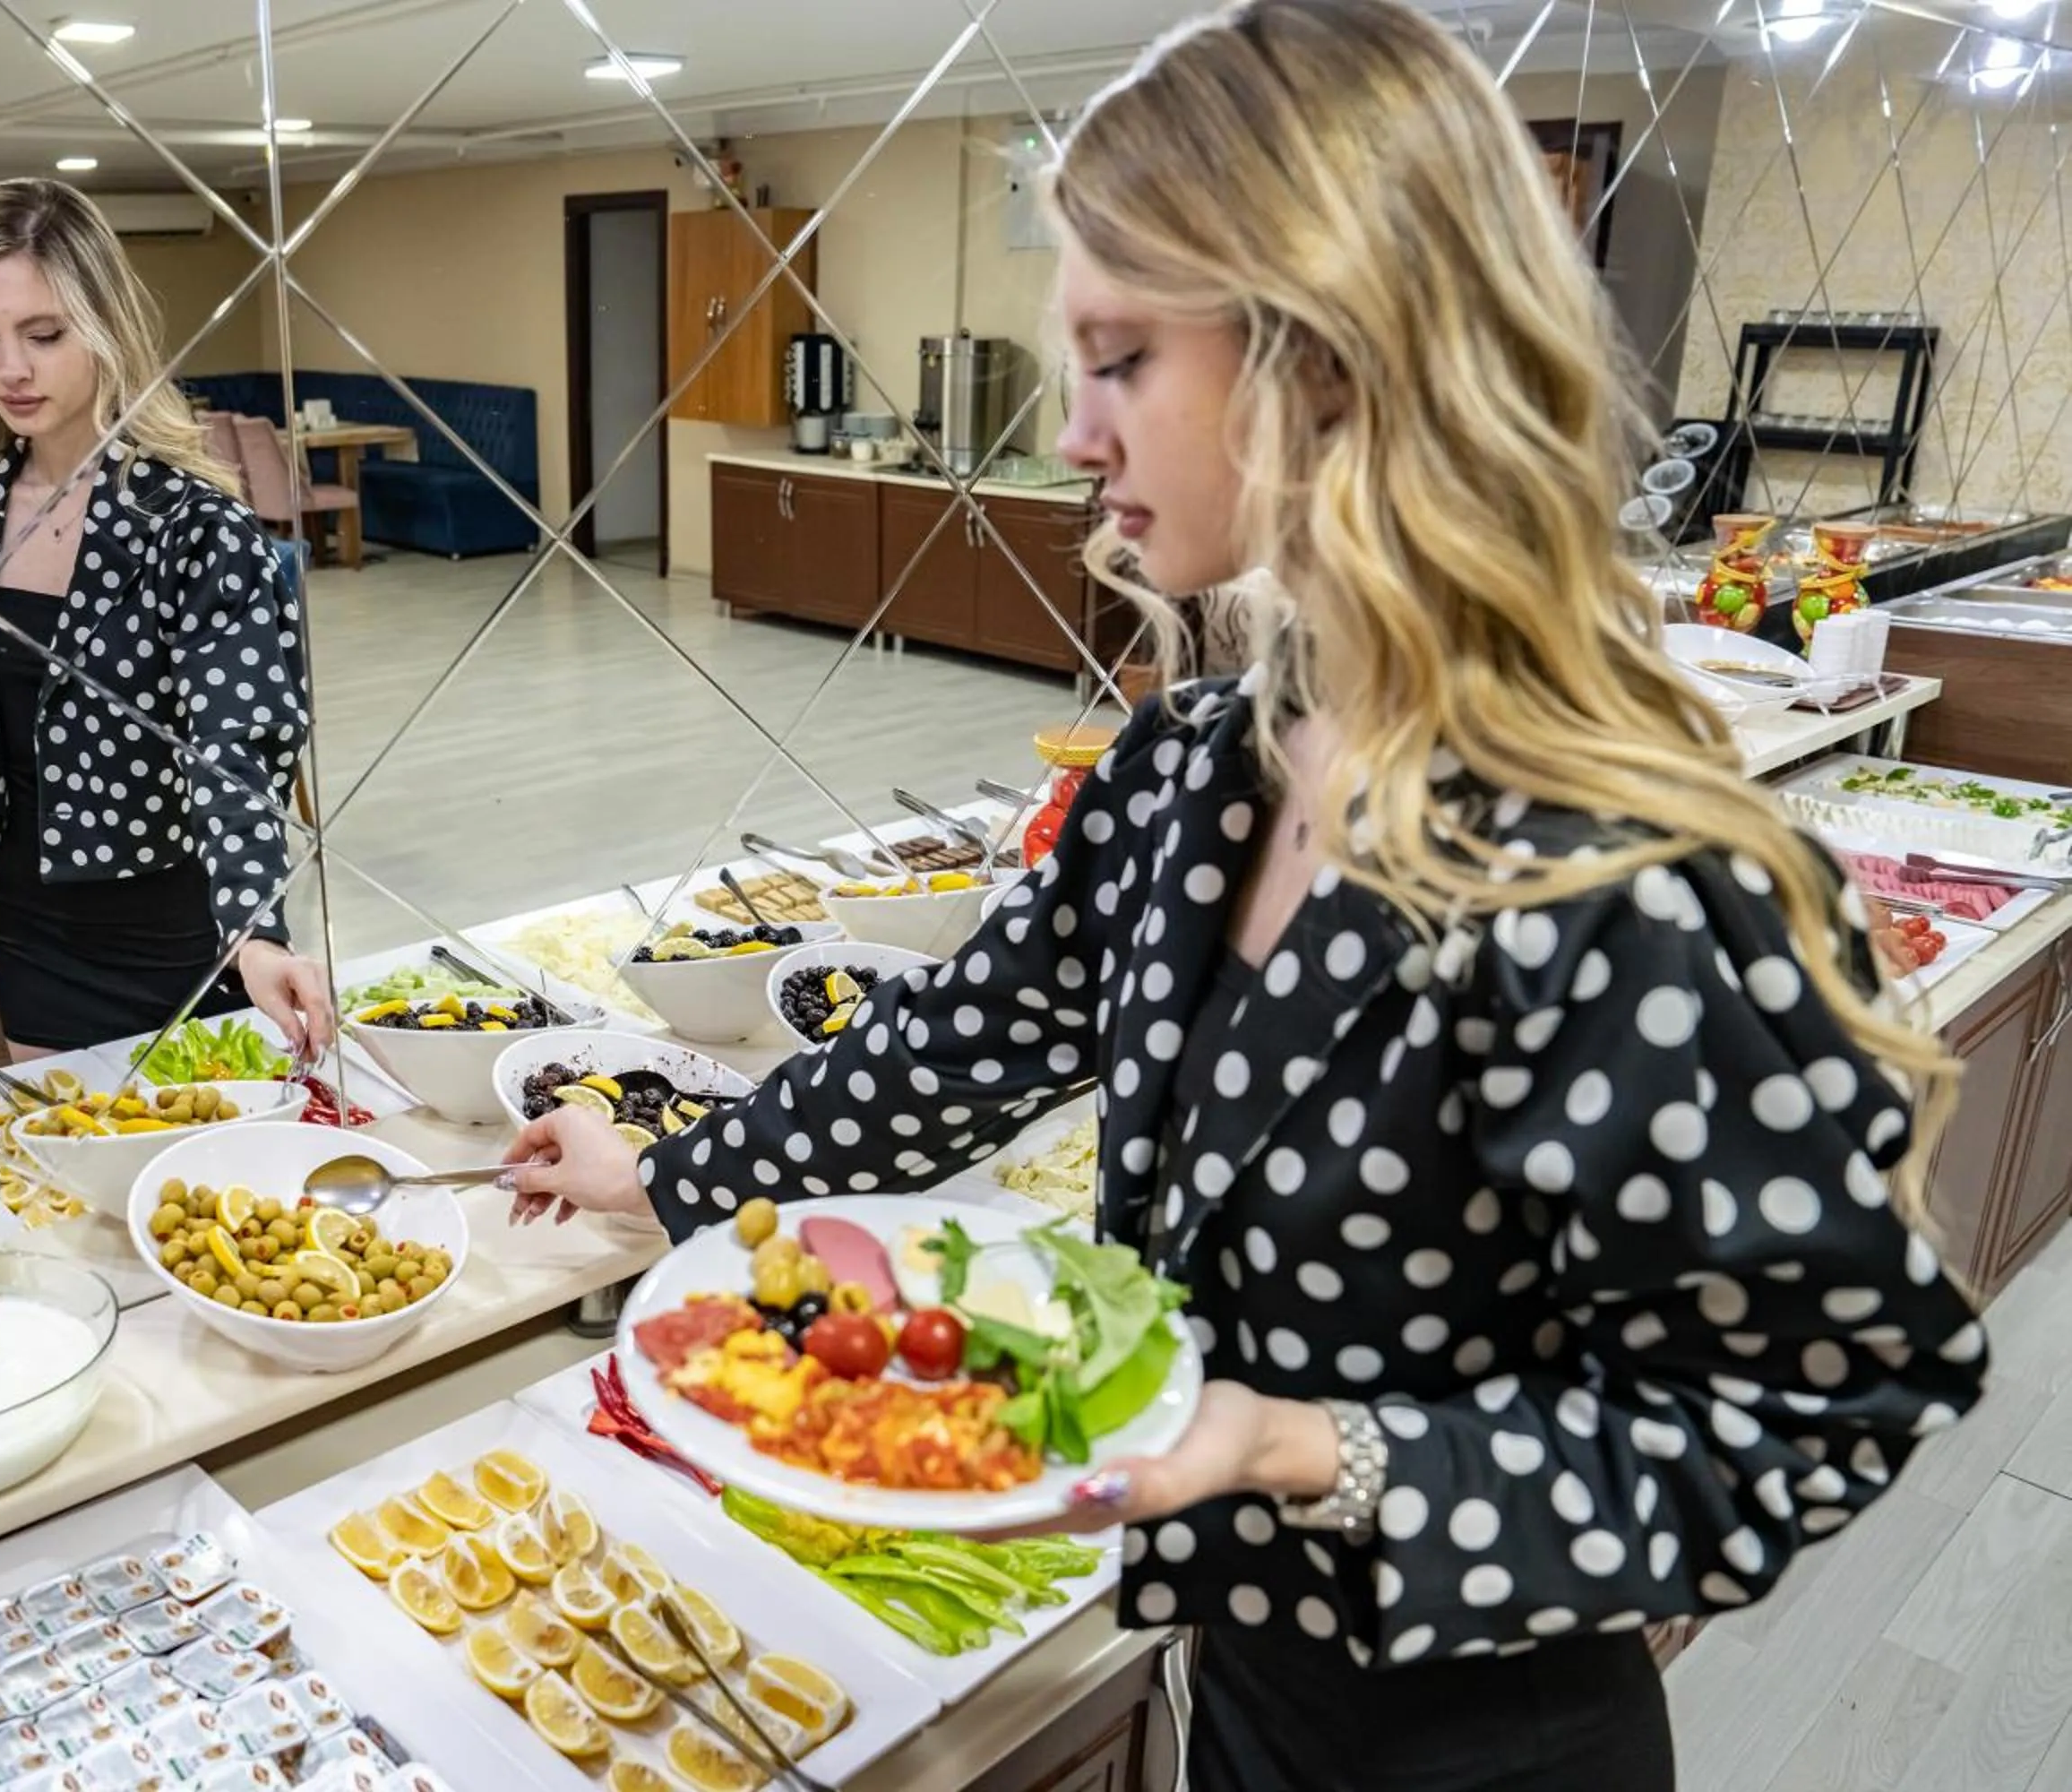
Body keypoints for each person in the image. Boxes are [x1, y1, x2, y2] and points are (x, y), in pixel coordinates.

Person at [501, 1, 1987, 1783]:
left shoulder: (1624, 876)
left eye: (1121, 357)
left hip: (1484, 1739)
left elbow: (1816, 1411)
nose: (1071, 430)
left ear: (1331, 356)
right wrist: (669, 1170)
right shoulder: (1188, 768)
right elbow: (956, 1048)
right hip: (1242, 1693)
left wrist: (1299, 1447)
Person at [0, 179, 333, 1061]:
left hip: (180, 930)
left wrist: (256, 925)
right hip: (26, 928)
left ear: (107, 329)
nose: (9, 368)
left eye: (44, 334)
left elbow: (235, 746)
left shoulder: (194, 529)